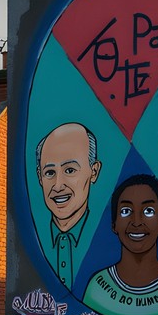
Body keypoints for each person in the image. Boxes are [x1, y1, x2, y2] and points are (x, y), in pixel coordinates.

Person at [83, 174, 158, 315]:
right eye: (126, 211)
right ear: (114, 224)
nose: (136, 222)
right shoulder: (96, 289)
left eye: (148, 211)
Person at [35, 122, 102, 289]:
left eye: (70, 170)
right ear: (39, 177)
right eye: (50, 173)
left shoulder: (109, 240)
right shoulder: (30, 243)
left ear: (94, 171)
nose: (58, 186)